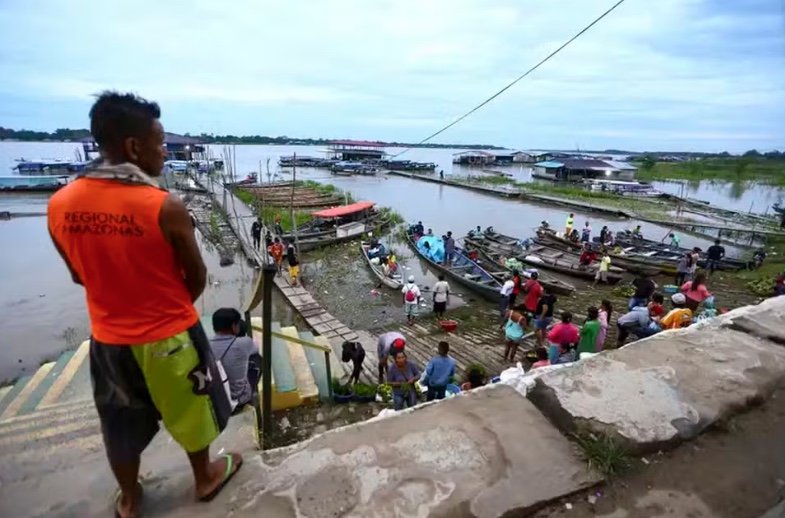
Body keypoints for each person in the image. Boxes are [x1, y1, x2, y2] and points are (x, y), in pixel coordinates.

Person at [47, 92, 240, 515]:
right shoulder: (164, 206)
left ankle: (131, 497)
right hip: (170, 337)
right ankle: (204, 477)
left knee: (117, 423)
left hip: (108, 340)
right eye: (160, 142)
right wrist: (167, 312)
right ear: (134, 147)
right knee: (193, 408)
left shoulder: (59, 205)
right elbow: (197, 276)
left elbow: (78, 275)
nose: (166, 151)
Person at [209, 308, 261, 409]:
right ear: (234, 326)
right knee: (255, 358)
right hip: (239, 399)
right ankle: (252, 393)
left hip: (216, 399)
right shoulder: (244, 343)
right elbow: (256, 348)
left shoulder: (205, 345)